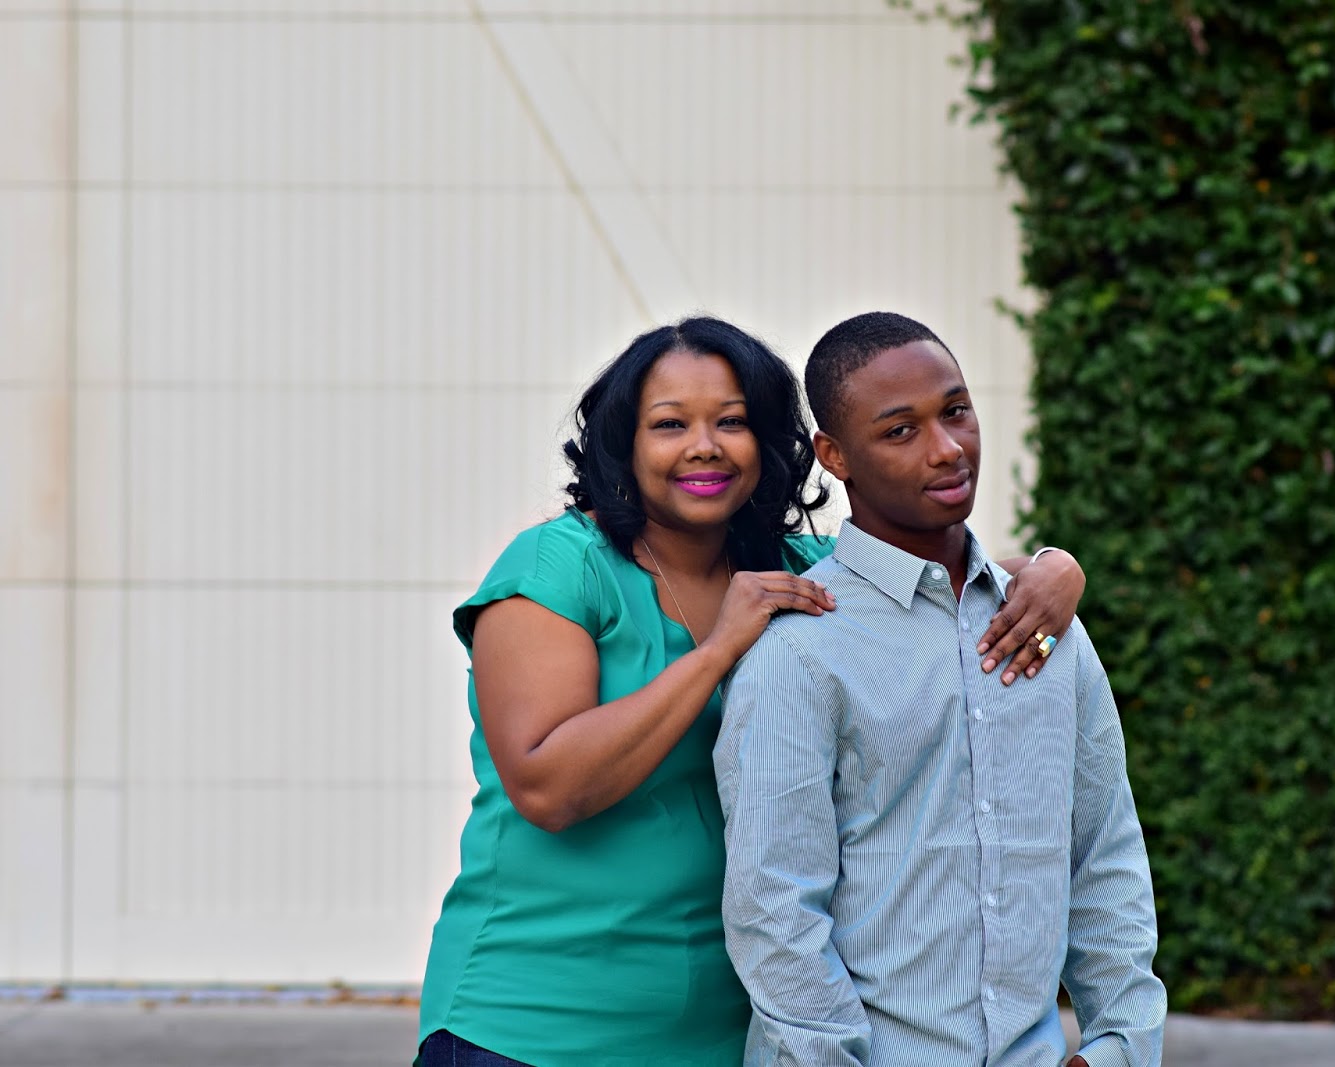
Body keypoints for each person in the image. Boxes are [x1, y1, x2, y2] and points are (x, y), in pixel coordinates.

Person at [417, 316, 1090, 1067]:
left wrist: (1054, 567)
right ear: (623, 444)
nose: (705, 446)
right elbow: (547, 787)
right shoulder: (558, 567)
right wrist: (717, 651)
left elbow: (942, 577)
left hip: (724, 1035)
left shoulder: (792, 568)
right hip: (531, 1026)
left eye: (731, 422)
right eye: (670, 424)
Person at [715, 312, 1166, 1067]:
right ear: (835, 455)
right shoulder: (800, 649)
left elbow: (1104, 854)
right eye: (900, 430)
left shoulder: (1047, 625)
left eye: (956, 410)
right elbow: (775, 912)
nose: (947, 448)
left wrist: (1119, 1045)